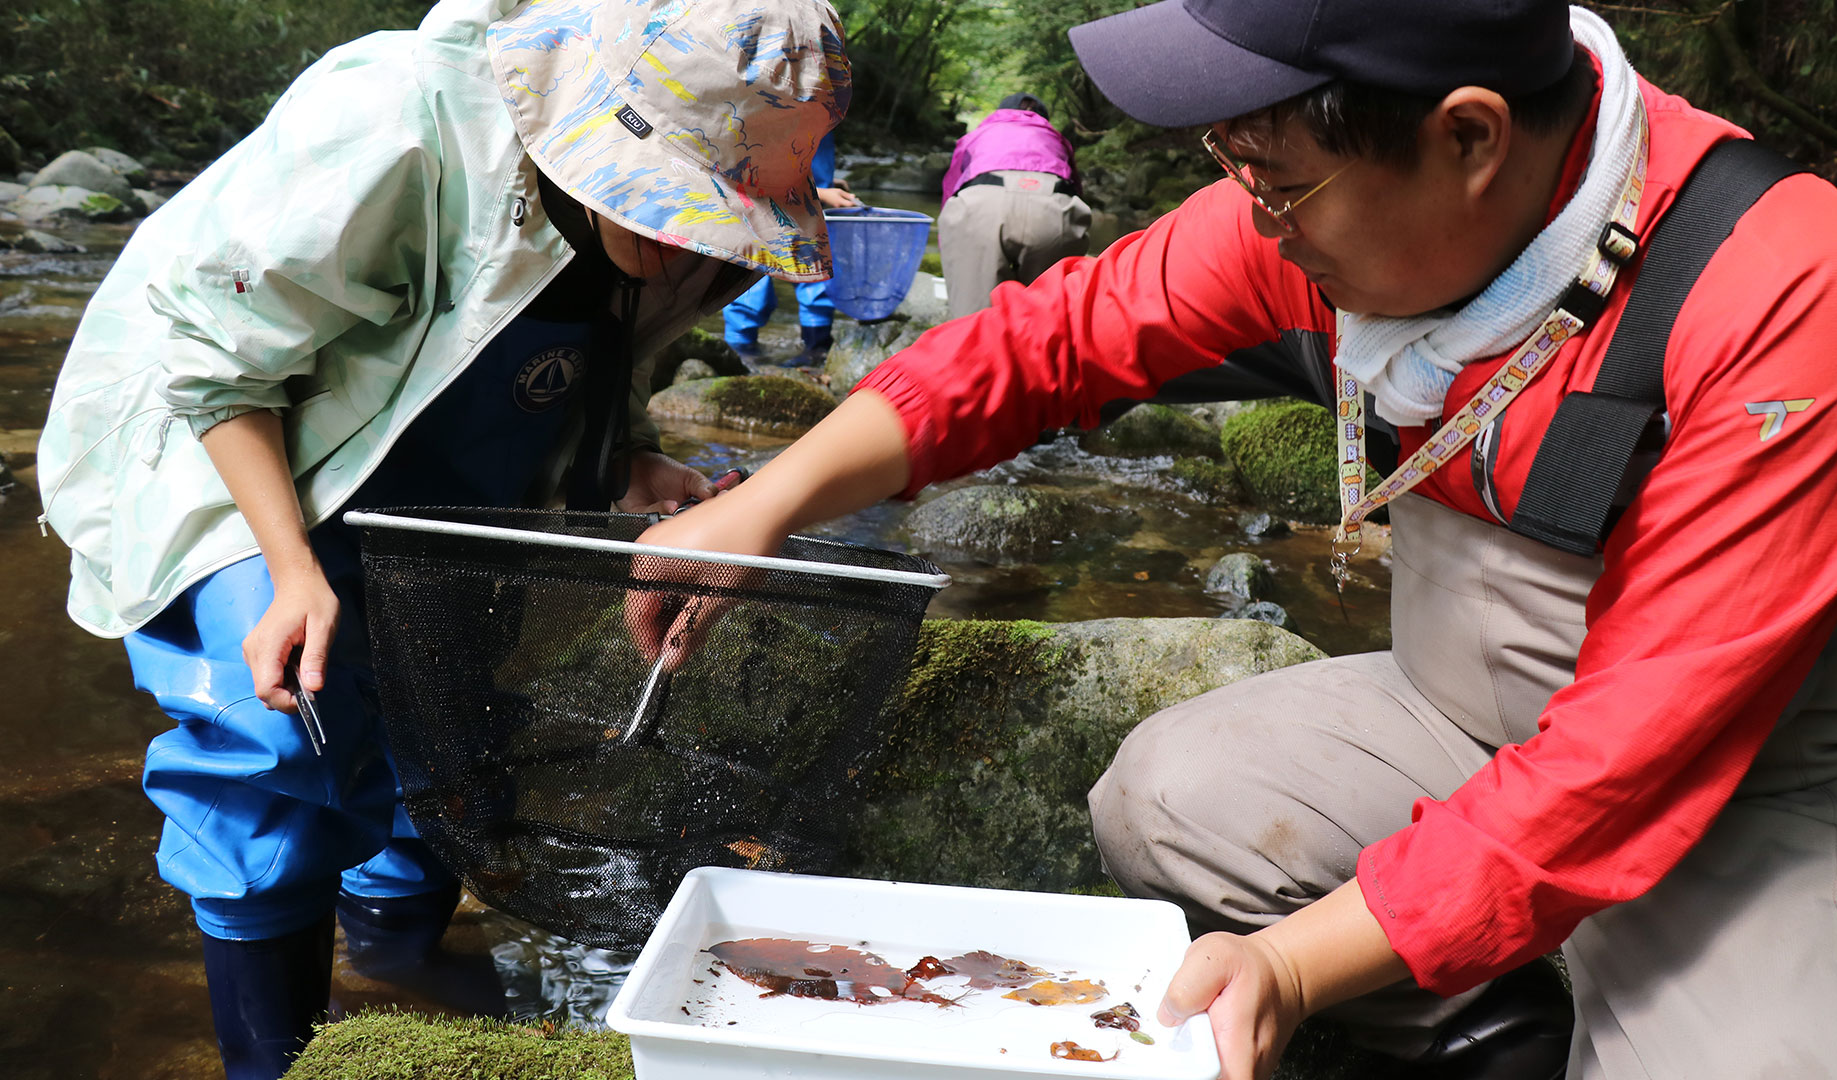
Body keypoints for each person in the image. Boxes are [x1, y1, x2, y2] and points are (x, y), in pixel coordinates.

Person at [630, 2, 1837, 1078]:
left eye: (1279, 180)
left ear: (1467, 136)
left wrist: (1296, 965)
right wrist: (763, 505)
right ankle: (1506, 1023)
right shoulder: (1314, 218)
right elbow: (1050, 343)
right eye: (1230, 167)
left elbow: (1628, 761)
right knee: (1171, 800)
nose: (1254, 219)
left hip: (1744, 799)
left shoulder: (1777, 290)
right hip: (1461, 725)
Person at [33, 0, 849, 1076]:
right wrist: (290, 571)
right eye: (675, 213)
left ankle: (394, 956)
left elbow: (600, 365)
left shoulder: (699, 238)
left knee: (453, 719)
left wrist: (627, 461)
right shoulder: (401, 120)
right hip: (229, 432)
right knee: (284, 734)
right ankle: (268, 1053)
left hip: (434, 465)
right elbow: (215, 354)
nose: (686, 248)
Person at [937, 91, 1092, 317]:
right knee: (1047, 317)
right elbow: (1076, 189)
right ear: (1043, 119)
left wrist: (950, 249)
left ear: (1000, 113)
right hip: (1051, 211)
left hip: (981, 207)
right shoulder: (1057, 138)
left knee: (973, 323)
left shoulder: (976, 135)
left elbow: (950, 189)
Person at [722, 131, 863, 368]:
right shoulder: (785, 107)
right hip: (767, 198)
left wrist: (824, 184)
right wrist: (821, 191)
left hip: (797, 198)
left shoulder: (816, 110)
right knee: (756, 263)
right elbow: (757, 171)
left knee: (783, 263)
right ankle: (743, 350)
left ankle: (809, 348)